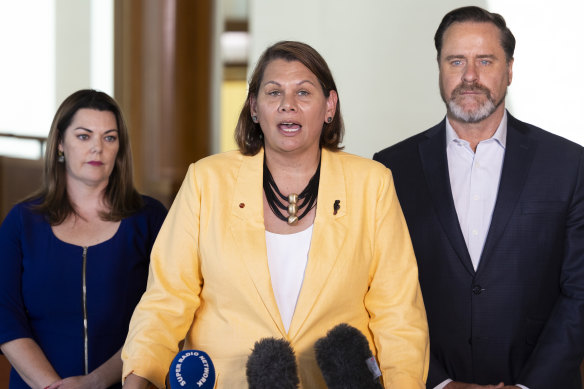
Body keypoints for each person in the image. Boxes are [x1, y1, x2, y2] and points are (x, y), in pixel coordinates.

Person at [122, 41, 429, 388]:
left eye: (303, 92)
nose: (288, 106)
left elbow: (397, 312)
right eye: (273, 93)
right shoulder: (206, 180)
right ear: (254, 108)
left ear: (329, 106)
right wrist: (139, 378)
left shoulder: (372, 183)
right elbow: (167, 297)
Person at [374, 6, 584, 389]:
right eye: (456, 61)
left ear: (510, 69)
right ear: (439, 68)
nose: (470, 76)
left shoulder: (569, 164)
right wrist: (439, 383)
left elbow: (580, 293)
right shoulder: (390, 169)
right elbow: (379, 294)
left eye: (485, 60)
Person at [0, 89, 167, 389]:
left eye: (109, 137)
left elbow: (160, 316)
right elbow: (4, 315)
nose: (97, 148)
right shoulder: (21, 222)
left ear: (119, 149)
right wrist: (52, 386)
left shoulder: (149, 218)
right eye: (83, 136)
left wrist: (96, 382)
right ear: (61, 143)